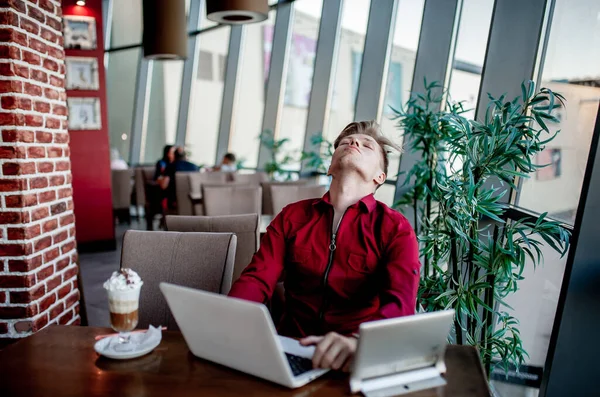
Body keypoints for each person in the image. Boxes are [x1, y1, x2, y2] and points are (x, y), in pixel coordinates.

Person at [228, 121, 420, 372]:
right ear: (331, 166)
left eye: (367, 145)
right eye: (345, 143)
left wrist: (360, 343)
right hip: (289, 347)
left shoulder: (395, 229)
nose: (353, 143)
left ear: (379, 177)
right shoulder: (292, 216)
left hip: (352, 357)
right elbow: (257, 279)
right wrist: (228, 317)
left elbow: (400, 303)